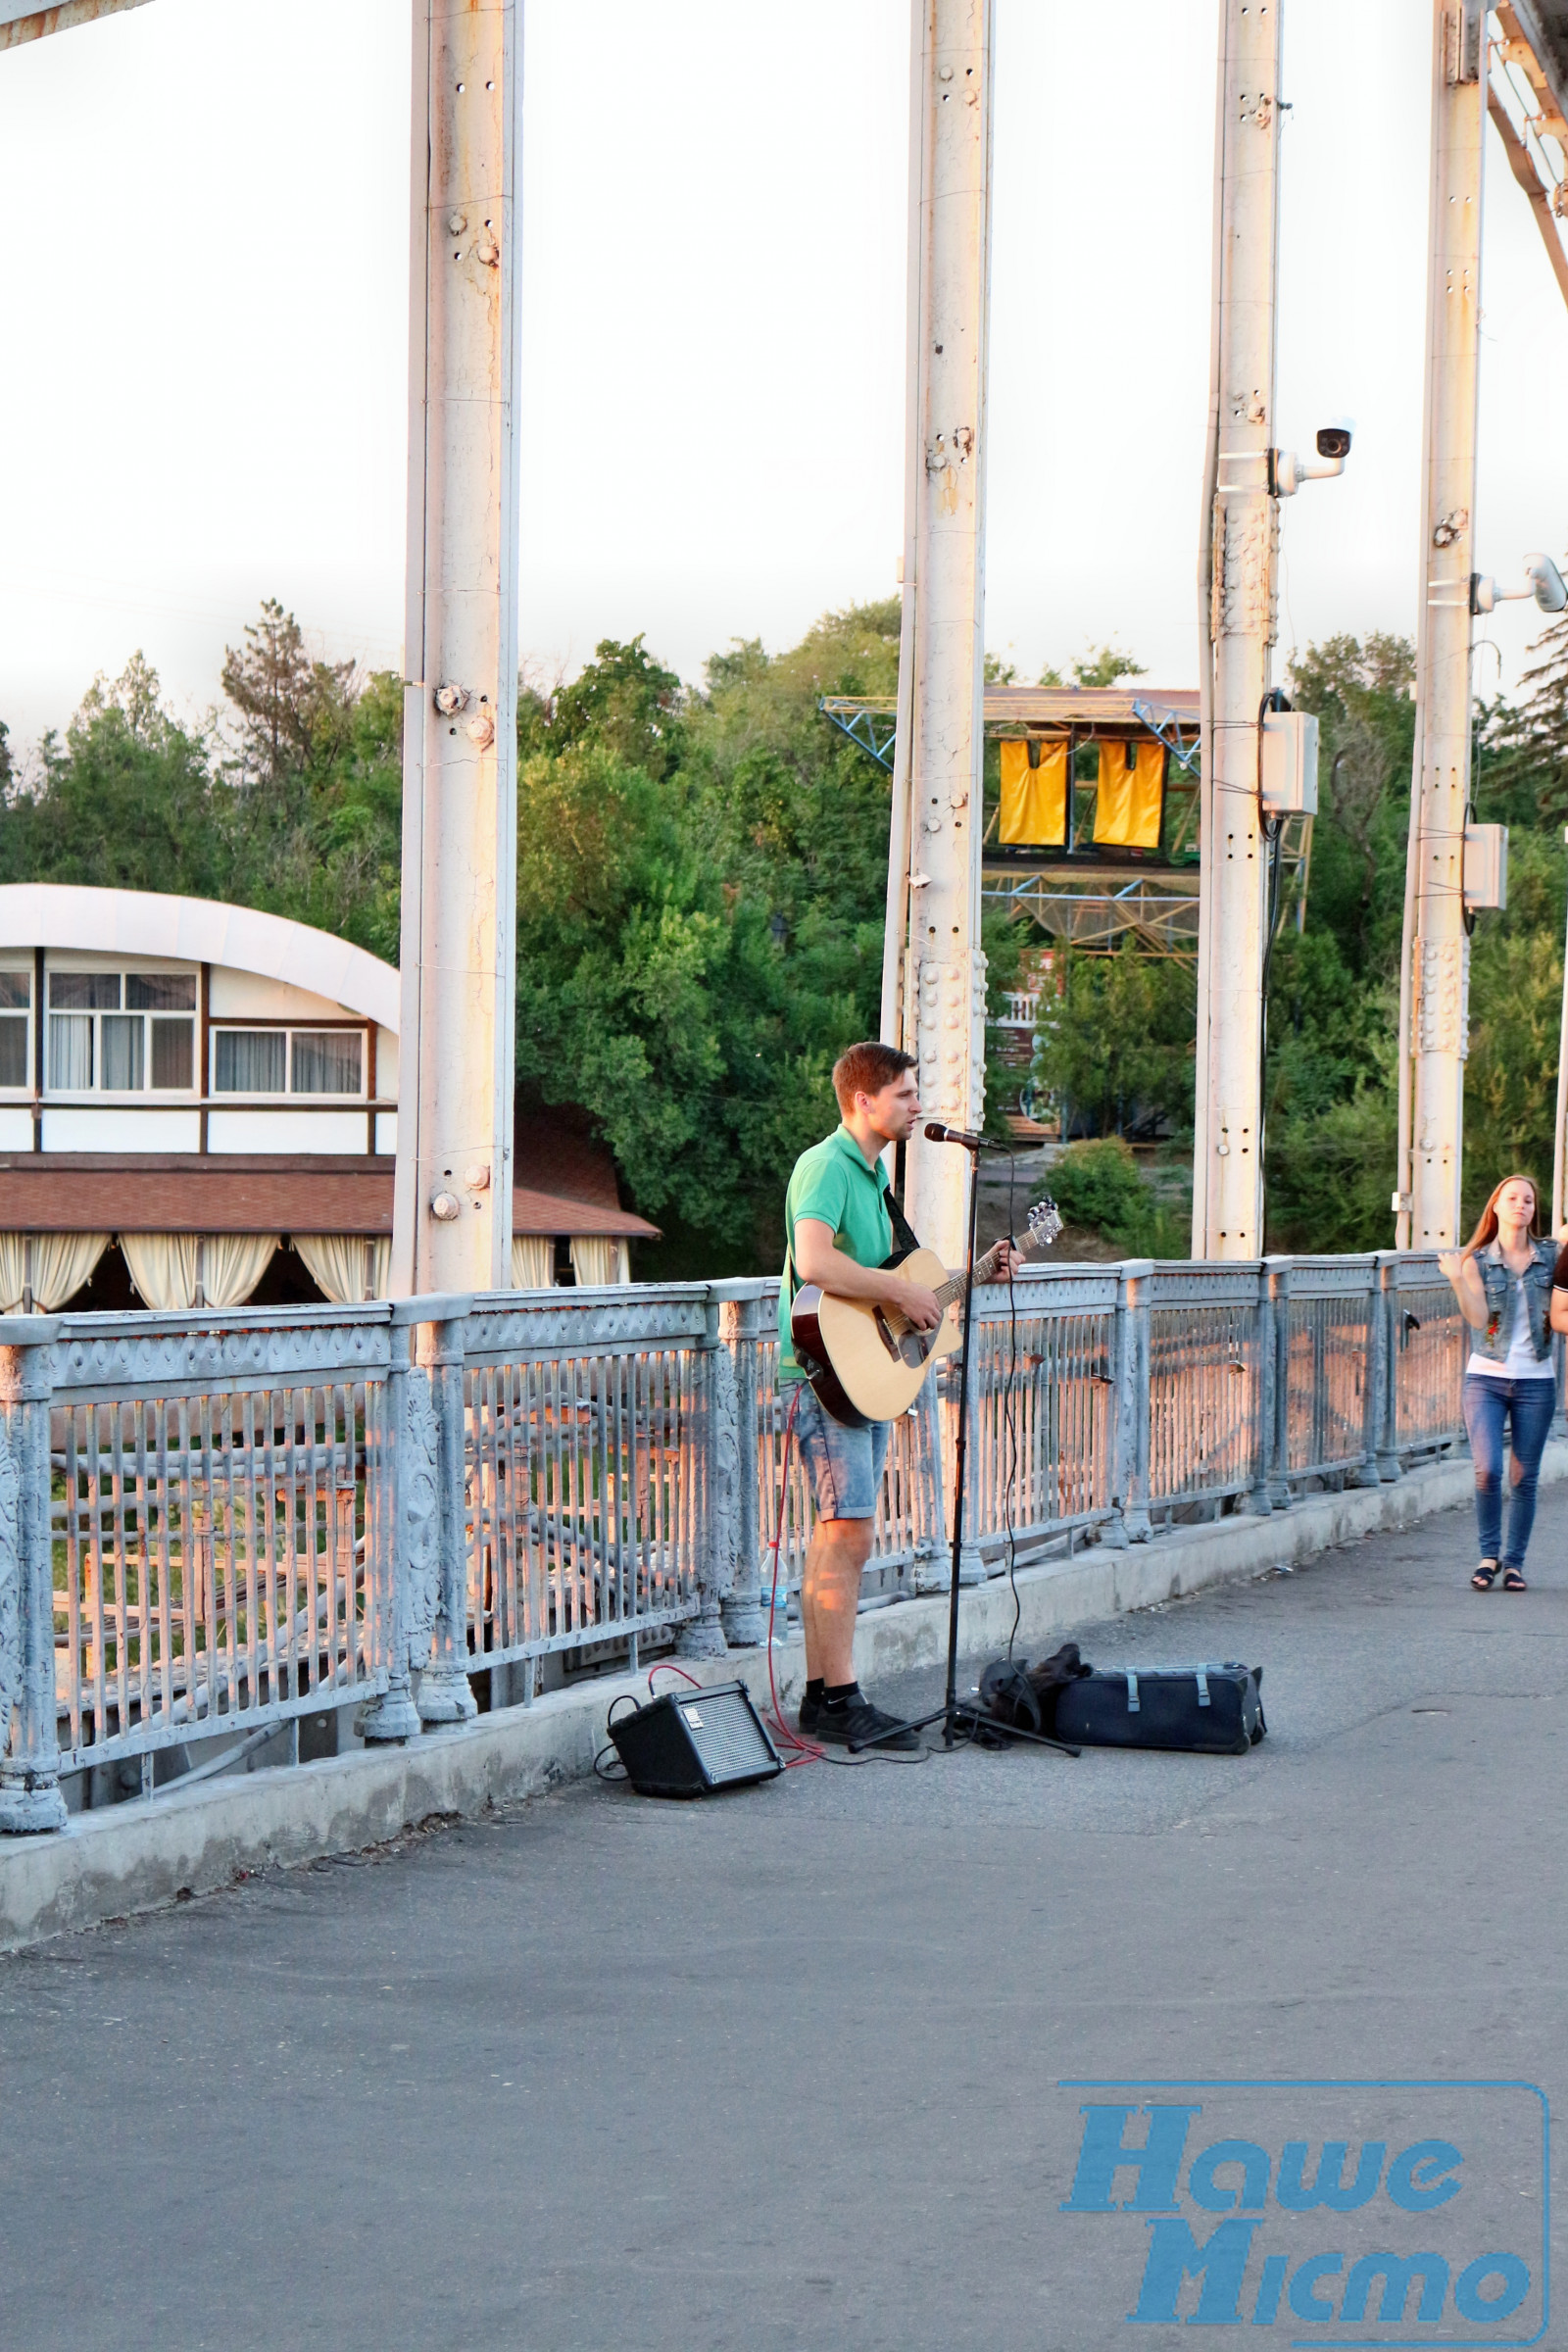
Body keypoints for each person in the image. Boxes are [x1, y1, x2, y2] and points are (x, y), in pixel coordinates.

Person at [778, 1040, 1019, 1750]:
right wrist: (899, 1288)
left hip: (865, 1378)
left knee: (843, 1532)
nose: (919, 1107)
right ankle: (841, 1698)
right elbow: (817, 1262)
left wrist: (975, 1274)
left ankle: (828, 1696)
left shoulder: (876, 1177)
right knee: (845, 1532)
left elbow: (900, 1302)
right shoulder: (826, 1166)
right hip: (824, 1374)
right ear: (865, 1100)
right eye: (907, 1095)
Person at [1439, 1173, 1558, 1592]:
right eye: (1512, 1198)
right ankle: (1489, 1555)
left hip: (1536, 1382)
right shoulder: (1477, 1261)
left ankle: (1515, 1564)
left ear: (1533, 1209)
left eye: (1528, 1199)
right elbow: (1479, 1320)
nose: (1520, 1205)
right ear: (1495, 1206)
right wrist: (1456, 1278)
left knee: (1524, 1476)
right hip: (1486, 1379)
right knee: (1487, 1470)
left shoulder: (1552, 1254)